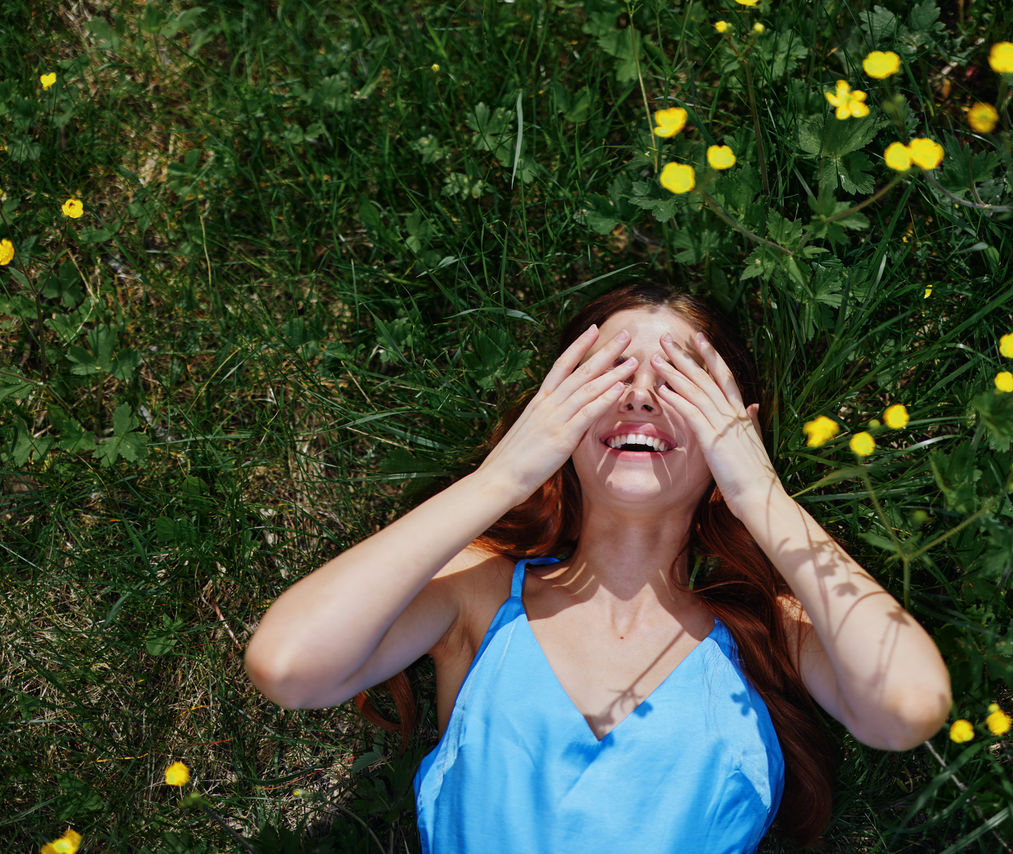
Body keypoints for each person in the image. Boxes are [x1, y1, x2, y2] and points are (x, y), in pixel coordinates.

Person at [245, 282, 951, 853]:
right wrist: (502, 478)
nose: (640, 395)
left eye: (679, 380)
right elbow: (289, 665)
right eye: (608, 373)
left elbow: (907, 709)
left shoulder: (768, 629)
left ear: (734, 426)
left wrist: (760, 493)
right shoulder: (480, 594)